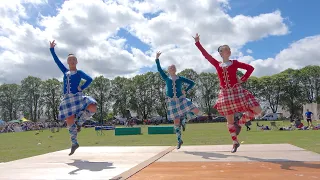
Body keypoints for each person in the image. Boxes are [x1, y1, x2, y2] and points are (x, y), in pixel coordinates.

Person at [193, 33, 262, 153]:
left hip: (237, 90)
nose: (228, 51)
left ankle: (240, 123)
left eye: (229, 49)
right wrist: (197, 43)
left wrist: (243, 79)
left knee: (258, 110)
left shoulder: (234, 63)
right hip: (225, 94)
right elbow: (206, 55)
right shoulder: (217, 64)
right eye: (225, 49)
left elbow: (250, 68)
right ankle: (235, 142)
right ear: (220, 53)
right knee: (229, 120)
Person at [49, 40, 97, 155]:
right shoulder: (65, 72)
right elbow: (56, 61)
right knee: (69, 120)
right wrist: (52, 49)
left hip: (77, 96)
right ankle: (74, 143)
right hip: (67, 99)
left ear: (76, 61)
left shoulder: (79, 72)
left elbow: (90, 79)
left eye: (73, 59)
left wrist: (82, 87)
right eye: (69, 59)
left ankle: (80, 122)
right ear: (67, 62)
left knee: (93, 107)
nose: (71, 61)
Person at [155, 51, 202, 149]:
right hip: (172, 101)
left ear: (176, 69)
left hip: (181, 99)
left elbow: (192, 83)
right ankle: (179, 140)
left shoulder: (180, 78)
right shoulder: (166, 78)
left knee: (197, 111)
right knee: (176, 121)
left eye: (173, 67)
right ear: (168, 70)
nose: (172, 68)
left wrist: (186, 90)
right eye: (170, 67)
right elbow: (159, 69)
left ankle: (185, 120)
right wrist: (157, 58)